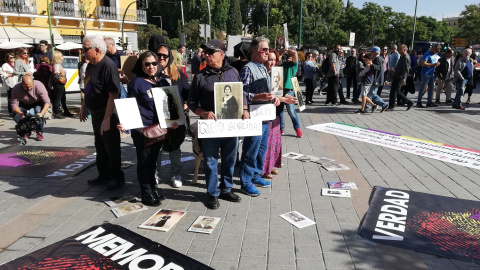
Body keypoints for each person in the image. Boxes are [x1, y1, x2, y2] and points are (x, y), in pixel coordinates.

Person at [187, 39, 243, 209]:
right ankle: (212, 193)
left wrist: (245, 108)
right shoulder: (200, 76)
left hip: (230, 125)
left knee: (229, 158)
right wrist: (202, 112)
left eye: (210, 52)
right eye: (205, 53)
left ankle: (226, 189)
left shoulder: (233, 72)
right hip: (210, 126)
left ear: (221, 53)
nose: (206, 55)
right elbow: (191, 102)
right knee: (210, 160)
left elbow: (242, 94)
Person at [240, 37, 296, 197]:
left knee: (261, 149)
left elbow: (271, 92)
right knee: (251, 150)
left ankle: (257, 175)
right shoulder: (248, 69)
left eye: (268, 48)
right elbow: (242, 94)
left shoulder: (263, 69)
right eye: (264, 49)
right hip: (255, 116)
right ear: (254, 51)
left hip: (266, 116)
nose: (267, 51)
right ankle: (245, 182)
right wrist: (258, 96)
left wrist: (278, 98)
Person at [117, 51, 167, 206]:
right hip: (142, 130)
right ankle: (146, 193)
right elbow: (129, 104)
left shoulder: (160, 82)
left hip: (158, 130)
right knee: (144, 162)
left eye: (154, 63)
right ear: (142, 65)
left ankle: (153, 188)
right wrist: (124, 122)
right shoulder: (136, 82)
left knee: (152, 162)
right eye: (147, 64)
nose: (151, 66)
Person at [79, 35, 125, 191]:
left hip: (108, 113)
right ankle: (103, 175)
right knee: (100, 146)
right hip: (96, 114)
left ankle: (116, 177)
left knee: (111, 147)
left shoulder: (108, 66)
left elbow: (113, 94)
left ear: (96, 50)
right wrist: (84, 105)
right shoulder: (91, 65)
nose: (83, 51)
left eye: (85, 49)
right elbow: (88, 88)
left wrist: (107, 119)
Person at [152, 41, 189, 188]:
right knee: (158, 148)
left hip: (175, 118)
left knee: (174, 147)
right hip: (156, 118)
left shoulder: (178, 74)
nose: (161, 58)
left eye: (164, 55)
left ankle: (176, 174)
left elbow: (187, 93)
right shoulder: (152, 73)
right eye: (158, 55)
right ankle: (156, 175)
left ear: (170, 57)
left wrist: (185, 106)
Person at [262, 50, 287, 179]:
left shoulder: (277, 73)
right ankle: (264, 169)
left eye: (274, 60)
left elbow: (279, 95)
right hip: (264, 113)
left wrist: (287, 98)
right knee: (267, 143)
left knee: (274, 143)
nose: (271, 62)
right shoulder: (261, 73)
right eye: (269, 59)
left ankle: (270, 166)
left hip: (276, 112)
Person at [10, 75, 50, 141]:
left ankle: (39, 132)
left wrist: (42, 113)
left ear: (33, 82)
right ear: (22, 84)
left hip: (37, 102)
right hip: (23, 103)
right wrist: (20, 113)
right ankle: (26, 130)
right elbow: (14, 105)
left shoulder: (39, 85)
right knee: (15, 114)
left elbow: (47, 102)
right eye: (26, 87)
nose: (29, 88)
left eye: (31, 86)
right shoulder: (16, 88)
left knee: (38, 112)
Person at [279, 48, 303, 137]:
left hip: (289, 91)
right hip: (279, 90)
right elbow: (278, 57)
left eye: (290, 56)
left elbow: (295, 54)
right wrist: (282, 53)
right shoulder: (281, 65)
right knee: (280, 112)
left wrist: (287, 48)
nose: (288, 58)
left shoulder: (293, 65)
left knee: (291, 112)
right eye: (287, 56)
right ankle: (281, 128)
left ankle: (297, 128)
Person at [387, 44, 414, 111]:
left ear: (404, 50)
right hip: (397, 75)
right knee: (397, 91)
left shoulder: (406, 57)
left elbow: (406, 69)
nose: (398, 50)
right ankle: (408, 102)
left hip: (400, 77)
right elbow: (400, 66)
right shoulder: (402, 57)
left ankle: (391, 106)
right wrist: (394, 69)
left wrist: (404, 78)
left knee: (394, 91)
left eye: (400, 49)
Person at [366, 46, 389, 112]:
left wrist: (371, 65)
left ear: (375, 52)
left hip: (376, 79)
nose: (371, 53)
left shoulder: (377, 59)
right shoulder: (378, 58)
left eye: (372, 52)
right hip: (377, 79)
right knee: (373, 94)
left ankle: (366, 108)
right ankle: (384, 104)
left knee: (370, 94)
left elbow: (378, 67)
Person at [51, 51, 72, 119]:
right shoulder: (56, 65)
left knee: (62, 98)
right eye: (61, 56)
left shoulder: (57, 64)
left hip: (60, 84)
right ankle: (56, 113)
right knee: (58, 99)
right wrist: (62, 79)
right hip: (59, 84)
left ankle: (65, 111)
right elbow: (56, 75)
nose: (62, 57)